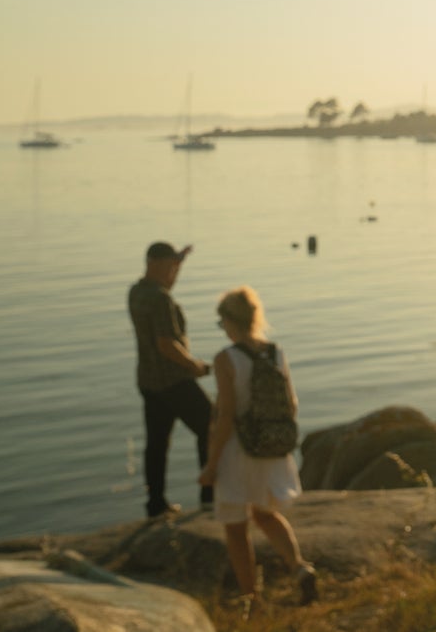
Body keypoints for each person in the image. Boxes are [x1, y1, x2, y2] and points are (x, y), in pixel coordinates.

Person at [198, 285, 317, 608]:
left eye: (221, 322)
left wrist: (211, 464)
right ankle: (300, 568)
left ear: (229, 321)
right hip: (271, 449)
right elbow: (291, 404)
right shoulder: (275, 352)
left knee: (236, 528)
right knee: (265, 515)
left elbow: (226, 416)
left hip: (239, 451)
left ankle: (252, 601)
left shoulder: (226, 359)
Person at [127, 241, 213, 517]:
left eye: (176, 267)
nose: (174, 272)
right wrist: (194, 365)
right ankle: (209, 497)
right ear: (154, 264)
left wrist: (179, 259)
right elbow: (166, 344)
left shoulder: (136, 292)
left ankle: (156, 504)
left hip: (148, 381)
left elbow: (164, 281)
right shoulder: (161, 299)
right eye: (170, 267)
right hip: (174, 381)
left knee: (157, 443)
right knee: (211, 426)